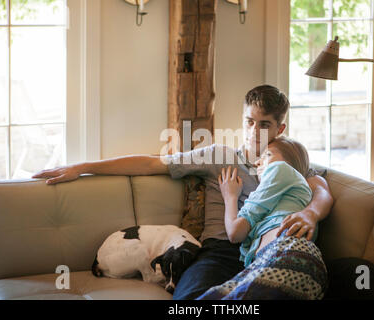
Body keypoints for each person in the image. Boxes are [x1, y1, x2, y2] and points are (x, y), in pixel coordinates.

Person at [32, 85, 334, 300]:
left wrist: (309, 213)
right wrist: (84, 166)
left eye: (264, 125)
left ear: (280, 128)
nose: (255, 132)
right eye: (249, 121)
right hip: (221, 252)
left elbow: (321, 189)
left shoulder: (286, 160)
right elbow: (152, 163)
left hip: (268, 249)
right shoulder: (218, 156)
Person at [196, 137, 328, 300]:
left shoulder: (281, 169)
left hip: (288, 253)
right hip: (278, 264)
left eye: (267, 155)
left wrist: (230, 196)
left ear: (289, 161)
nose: (258, 162)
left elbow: (235, 232)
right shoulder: (286, 194)